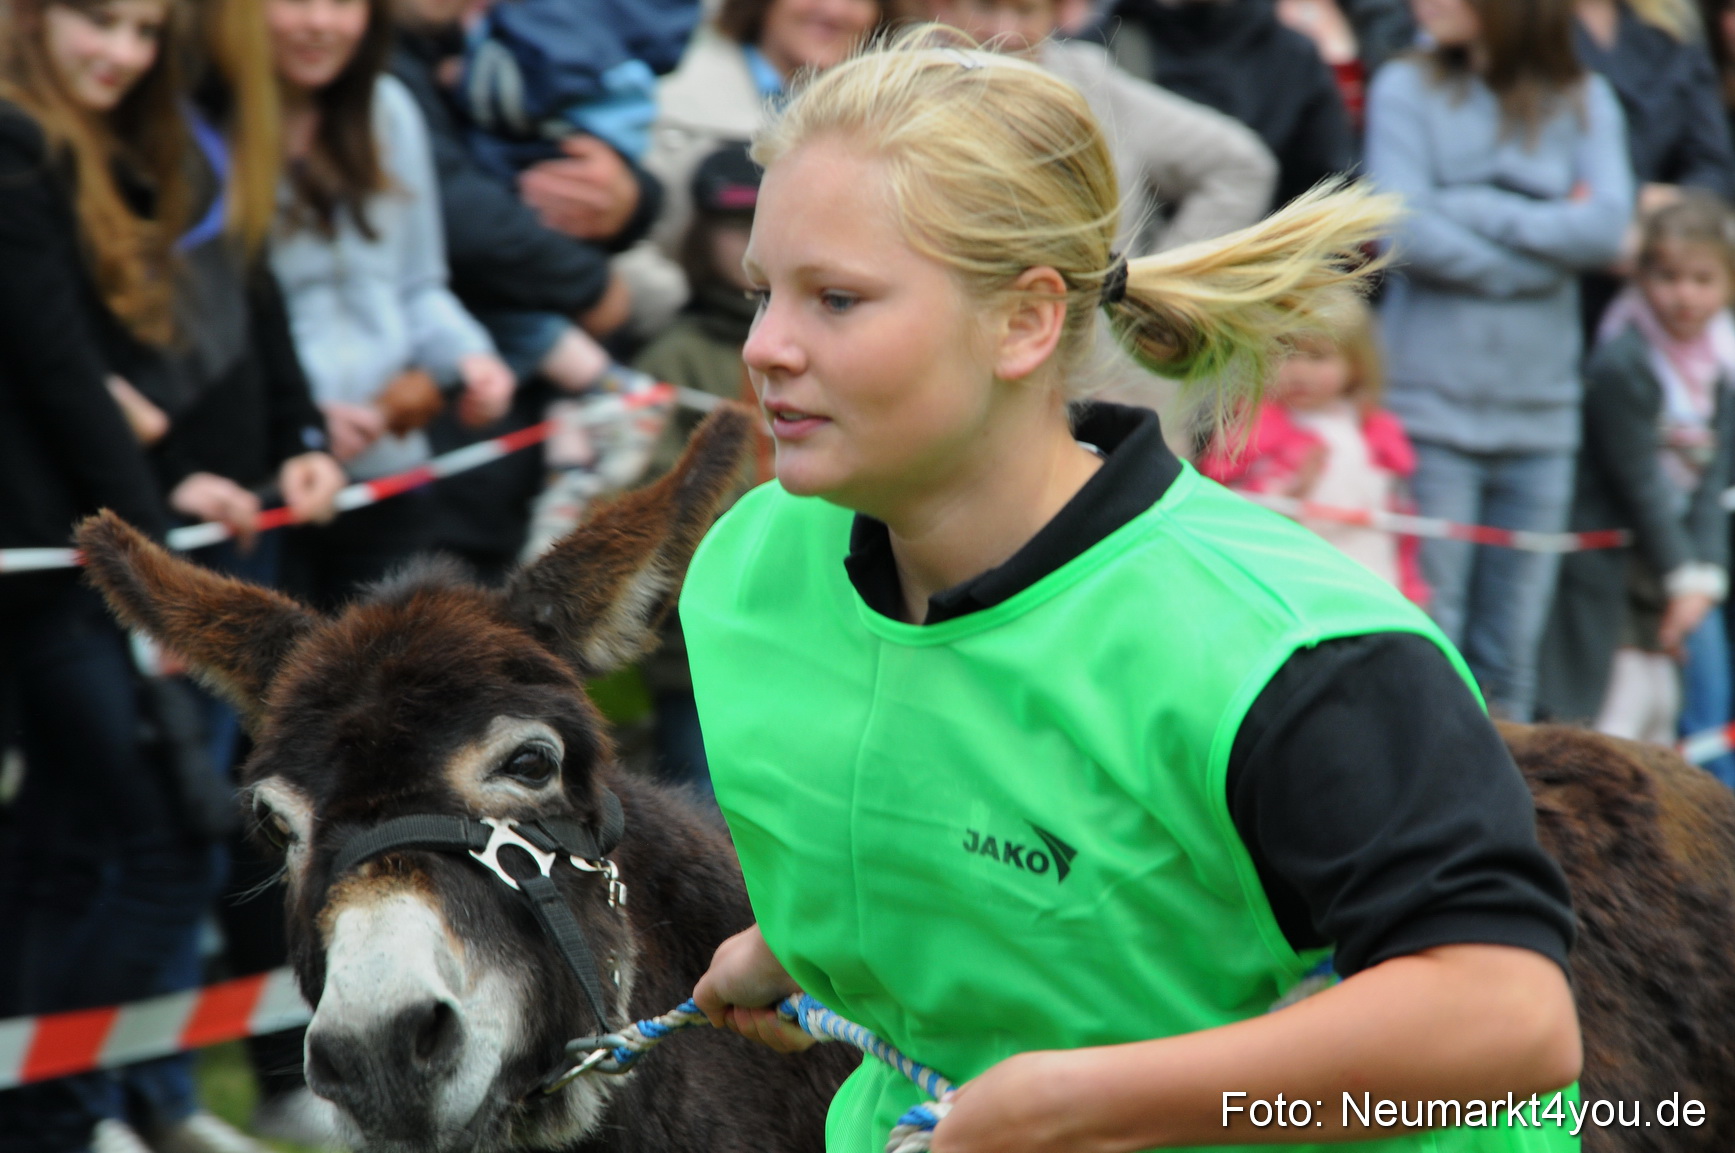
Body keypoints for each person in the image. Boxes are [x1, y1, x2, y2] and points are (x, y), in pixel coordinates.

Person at [681, 28, 1581, 1153]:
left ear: (1024, 320)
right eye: (765, 291)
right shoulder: (744, 572)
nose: (765, 346)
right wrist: (826, 936)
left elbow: (1509, 1018)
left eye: (838, 299)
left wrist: (1075, 1103)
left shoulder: (1283, 651)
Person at [0, 1, 270, 1150]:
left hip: (64, 542)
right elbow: (54, 367)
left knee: (71, 842)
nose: (120, 50)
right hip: (48, 559)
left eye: (146, 29)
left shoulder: (64, 145)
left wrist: (168, 488)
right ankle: (57, 1113)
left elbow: (80, 368)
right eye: (96, 19)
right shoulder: (18, 141)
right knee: (169, 837)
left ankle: (65, 1108)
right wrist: (148, 558)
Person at [1365, 0, 1632, 721]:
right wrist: (1544, 250)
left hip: (1541, 418)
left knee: (1510, 652)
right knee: (1431, 633)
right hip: (1427, 409)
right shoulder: (1404, 87)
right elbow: (1399, 227)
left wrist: (1475, 208)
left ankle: (1504, 823)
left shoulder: (1584, 98)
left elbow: (1608, 224)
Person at [265, 0, 515, 608]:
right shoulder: (211, 128)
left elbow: (417, 285)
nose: (320, 22)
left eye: (344, 4)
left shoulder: (389, 110)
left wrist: (471, 357)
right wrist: (302, 417)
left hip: (390, 467)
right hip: (271, 477)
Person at [1539, 193, 1735, 782]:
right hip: (1614, 573)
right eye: (1669, 276)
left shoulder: (1723, 364)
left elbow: (1714, 479)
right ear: (1642, 276)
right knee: (1617, 723)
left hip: (1678, 571)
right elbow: (1639, 483)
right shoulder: (1623, 360)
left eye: (1704, 279)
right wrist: (1686, 580)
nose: (1685, 295)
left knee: (1675, 717)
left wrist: (1703, 578)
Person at [1197, 297, 1428, 604]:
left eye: (1318, 357)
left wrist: (1409, 587)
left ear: (1356, 364)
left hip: (1365, 580)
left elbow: (1398, 521)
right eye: (1285, 355)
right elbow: (1226, 510)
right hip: (1288, 584)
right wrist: (1291, 493)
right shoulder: (1251, 432)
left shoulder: (1374, 434)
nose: (1299, 372)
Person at [1098, 0, 1357, 210]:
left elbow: (1331, 197)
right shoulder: (1098, 54)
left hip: (1269, 264)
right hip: (1133, 265)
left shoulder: (1293, 58)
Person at [1574, 0, 1735, 330]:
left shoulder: (1673, 35)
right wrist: (1630, 200)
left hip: (1669, 271)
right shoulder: (1532, 38)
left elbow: (1712, 163)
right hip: (1573, 270)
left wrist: (1667, 218)